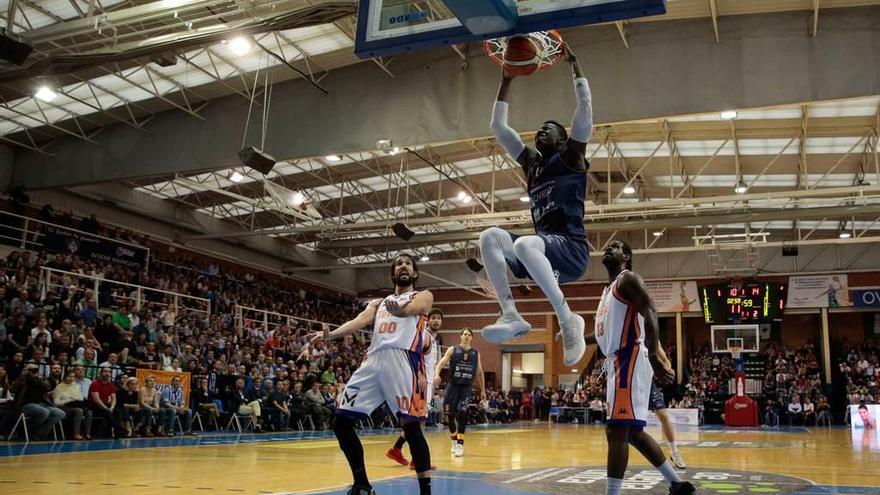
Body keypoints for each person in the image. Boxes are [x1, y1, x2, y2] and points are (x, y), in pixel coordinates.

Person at [480, 44, 592, 367]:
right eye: (540, 127)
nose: (542, 129)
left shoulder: (570, 157)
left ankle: (567, 319)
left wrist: (576, 67)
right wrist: (506, 79)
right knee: (489, 236)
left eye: (550, 128)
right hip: (541, 253)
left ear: (562, 139)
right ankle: (510, 314)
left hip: (571, 250)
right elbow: (498, 129)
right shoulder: (531, 163)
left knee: (529, 243)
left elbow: (584, 114)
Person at [308, 253, 434, 495]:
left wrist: (400, 309)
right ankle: (362, 484)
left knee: (411, 428)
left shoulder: (423, 296)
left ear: (415, 273)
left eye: (408, 263)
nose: (403, 266)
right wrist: (329, 335)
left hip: (403, 360)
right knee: (341, 422)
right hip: (374, 360)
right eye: (398, 263)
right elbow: (360, 320)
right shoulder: (378, 303)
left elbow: (413, 309)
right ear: (393, 272)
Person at [586, 240, 694, 495]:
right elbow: (602, 333)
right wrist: (575, 338)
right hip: (617, 360)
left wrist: (657, 357)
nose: (608, 248)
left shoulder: (628, 280)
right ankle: (677, 484)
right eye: (607, 246)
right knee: (632, 433)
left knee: (616, 431)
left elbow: (651, 313)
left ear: (626, 255)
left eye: (615, 246)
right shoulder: (607, 292)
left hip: (629, 357)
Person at [387, 307, 443, 468]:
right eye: (433, 317)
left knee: (417, 421)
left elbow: (432, 361)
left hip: (428, 382)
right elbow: (412, 356)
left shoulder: (435, 340)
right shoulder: (420, 335)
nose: (436, 320)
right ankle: (416, 460)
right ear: (427, 320)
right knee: (418, 421)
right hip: (419, 382)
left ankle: (397, 449)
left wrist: (436, 375)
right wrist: (419, 375)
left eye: (439, 318)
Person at [433, 327, 485, 457]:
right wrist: (436, 375)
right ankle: (454, 440)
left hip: (466, 388)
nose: (467, 336)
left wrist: (483, 390)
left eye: (469, 334)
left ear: (471, 338)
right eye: (464, 334)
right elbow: (440, 363)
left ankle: (460, 444)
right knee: (449, 416)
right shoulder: (453, 350)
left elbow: (480, 372)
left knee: (462, 413)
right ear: (460, 336)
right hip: (452, 387)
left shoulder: (476, 353)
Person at [13, 365, 66, 441]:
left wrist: (38, 379)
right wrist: (23, 376)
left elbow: (47, 387)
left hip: (42, 404)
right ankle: (29, 431)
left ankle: (39, 434)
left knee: (60, 413)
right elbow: (13, 389)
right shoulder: (21, 380)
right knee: (44, 412)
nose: (32, 372)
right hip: (26, 405)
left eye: (35, 370)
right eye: (30, 370)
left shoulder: (39, 380)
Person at [648, 383, 686, 469]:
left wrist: (666, 369)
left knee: (663, 415)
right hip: (626, 383)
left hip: (647, 382)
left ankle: (674, 451)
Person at [51, 370, 93, 440]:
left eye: (73, 377)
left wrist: (76, 400)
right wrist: (68, 400)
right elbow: (56, 402)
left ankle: (87, 433)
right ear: (65, 377)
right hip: (64, 406)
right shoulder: (59, 387)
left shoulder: (77, 386)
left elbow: (81, 397)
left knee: (89, 411)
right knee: (79, 411)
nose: (71, 378)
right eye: (69, 376)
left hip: (77, 404)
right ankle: (76, 433)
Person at [88, 367, 125, 438]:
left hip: (105, 405)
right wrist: (106, 408)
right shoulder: (95, 383)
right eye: (105, 371)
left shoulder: (111, 385)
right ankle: (119, 429)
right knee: (107, 412)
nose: (107, 373)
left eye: (109, 372)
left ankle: (117, 433)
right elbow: (96, 399)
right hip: (94, 405)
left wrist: (112, 407)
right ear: (101, 373)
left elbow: (114, 398)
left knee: (118, 411)